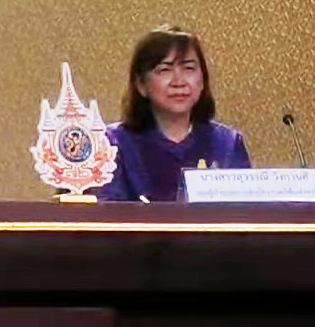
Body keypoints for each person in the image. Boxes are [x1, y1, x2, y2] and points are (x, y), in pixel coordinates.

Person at [96, 25, 250, 201]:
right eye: (165, 70)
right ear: (141, 84)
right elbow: (106, 211)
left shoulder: (227, 144)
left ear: (202, 81)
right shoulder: (112, 144)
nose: (179, 81)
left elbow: (245, 211)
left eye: (189, 68)